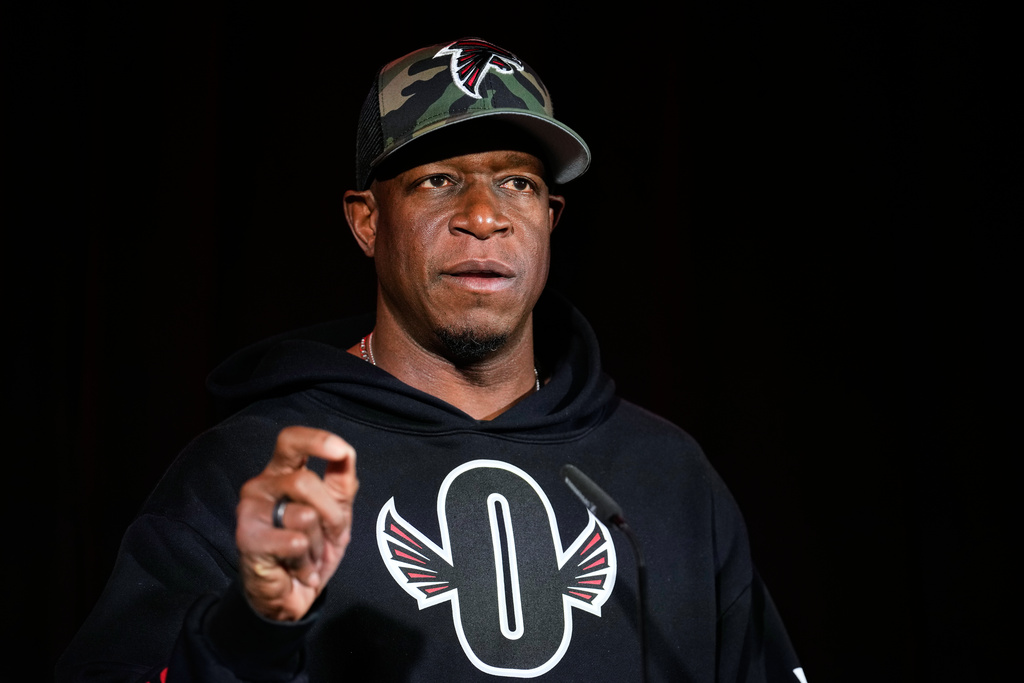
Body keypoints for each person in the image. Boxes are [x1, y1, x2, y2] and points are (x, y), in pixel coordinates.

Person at [57, 38, 806, 682]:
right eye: (438, 180)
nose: (484, 216)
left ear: (550, 220)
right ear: (367, 221)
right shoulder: (259, 473)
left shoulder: (669, 478)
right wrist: (247, 628)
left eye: (517, 181)